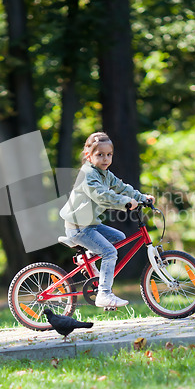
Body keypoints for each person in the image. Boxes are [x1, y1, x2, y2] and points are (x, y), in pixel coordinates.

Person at [60, 132, 155, 308]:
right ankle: (103, 294)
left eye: (109, 154)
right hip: (78, 227)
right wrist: (126, 203)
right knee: (110, 252)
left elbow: (121, 187)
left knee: (119, 238)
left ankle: (87, 257)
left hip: (90, 225)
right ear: (88, 155)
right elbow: (103, 196)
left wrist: (141, 197)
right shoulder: (88, 175)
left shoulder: (105, 173)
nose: (105, 159)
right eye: (100, 155)